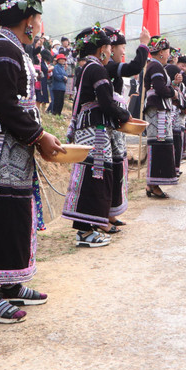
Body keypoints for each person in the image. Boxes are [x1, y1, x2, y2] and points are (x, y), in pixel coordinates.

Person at [0, 0, 62, 324]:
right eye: (38, 16)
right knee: (0, 210)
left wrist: (35, 136)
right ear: (27, 20)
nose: (40, 24)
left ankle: (9, 282)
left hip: (14, 144)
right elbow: (6, 104)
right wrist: (38, 135)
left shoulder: (13, 48)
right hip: (0, 147)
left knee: (16, 207)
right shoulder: (4, 50)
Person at [61, 27, 130, 247]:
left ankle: (88, 228)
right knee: (95, 175)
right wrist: (124, 114)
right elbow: (106, 102)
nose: (110, 52)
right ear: (101, 49)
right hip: (95, 130)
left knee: (94, 174)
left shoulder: (87, 68)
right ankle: (84, 231)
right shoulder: (97, 70)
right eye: (109, 47)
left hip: (90, 128)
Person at [104, 26, 150, 227]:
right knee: (110, 169)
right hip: (108, 125)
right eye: (122, 48)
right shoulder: (107, 67)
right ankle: (105, 215)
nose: (124, 52)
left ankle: (112, 213)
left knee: (117, 167)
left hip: (116, 124)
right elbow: (134, 68)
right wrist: (143, 45)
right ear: (110, 49)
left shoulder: (111, 67)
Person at [143, 36, 181, 198]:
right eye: (166, 51)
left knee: (162, 144)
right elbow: (159, 88)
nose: (168, 54)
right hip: (157, 111)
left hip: (160, 110)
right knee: (158, 144)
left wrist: (172, 86)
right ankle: (153, 183)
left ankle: (153, 183)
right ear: (160, 53)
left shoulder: (157, 66)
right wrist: (173, 92)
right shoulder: (156, 67)